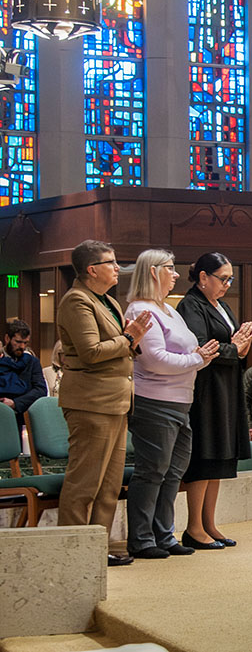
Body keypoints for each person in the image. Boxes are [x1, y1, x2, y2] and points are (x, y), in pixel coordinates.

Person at [56, 240, 153, 567]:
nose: (116, 268)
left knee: (109, 485)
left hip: (116, 401)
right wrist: (128, 340)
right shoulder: (76, 301)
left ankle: (99, 548)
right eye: (110, 263)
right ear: (91, 270)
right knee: (85, 483)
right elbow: (91, 352)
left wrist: (130, 340)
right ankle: (72, 553)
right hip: (91, 402)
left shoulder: (107, 300)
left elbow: (120, 344)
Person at [124, 249, 220, 559]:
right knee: (151, 471)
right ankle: (141, 539)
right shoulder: (140, 309)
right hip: (154, 401)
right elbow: (154, 361)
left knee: (173, 471)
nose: (176, 274)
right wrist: (197, 358)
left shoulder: (168, 308)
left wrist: (200, 357)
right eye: (170, 268)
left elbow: (189, 351)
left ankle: (164, 535)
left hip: (181, 401)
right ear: (153, 272)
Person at [176, 253, 252, 549]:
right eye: (223, 278)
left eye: (230, 279)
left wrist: (241, 346)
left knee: (221, 455)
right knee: (205, 454)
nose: (227, 284)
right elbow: (201, 346)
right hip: (206, 390)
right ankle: (194, 527)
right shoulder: (190, 305)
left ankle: (209, 523)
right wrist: (234, 346)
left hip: (227, 386)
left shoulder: (221, 305)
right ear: (203, 278)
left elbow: (233, 346)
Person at [0, 319, 46, 427]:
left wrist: (15, 403)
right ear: (7, 339)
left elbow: (40, 389)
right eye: (18, 342)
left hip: (23, 417)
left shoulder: (32, 362)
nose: (22, 347)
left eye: (25, 343)